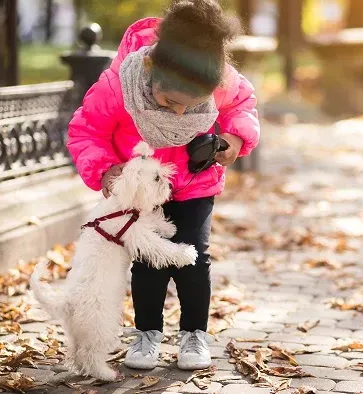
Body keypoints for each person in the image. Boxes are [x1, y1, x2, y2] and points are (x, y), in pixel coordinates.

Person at [66, 0, 260, 371]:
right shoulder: (118, 85)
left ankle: (193, 333)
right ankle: (147, 334)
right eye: (170, 103)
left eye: (193, 106)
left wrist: (235, 138)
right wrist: (106, 171)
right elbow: (86, 131)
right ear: (152, 70)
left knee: (194, 258)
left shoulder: (217, 78)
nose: (181, 115)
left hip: (195, 182)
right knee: (147, 262)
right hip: (142, 193)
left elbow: (242, 104)